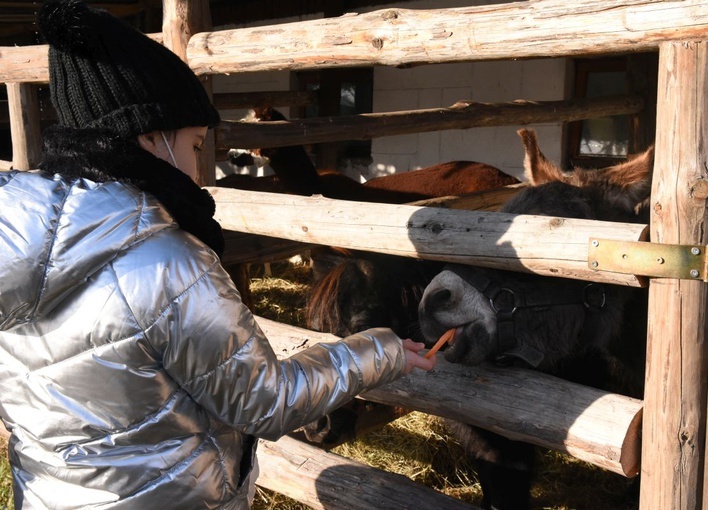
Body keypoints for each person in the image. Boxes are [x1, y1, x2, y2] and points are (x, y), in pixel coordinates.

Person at [0, 1, 436, 508]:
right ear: (150, 137)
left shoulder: (16, 247)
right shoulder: (169, 264)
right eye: (193, 145)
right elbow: (265, 401)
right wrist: (377, 352)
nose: (197, 168)